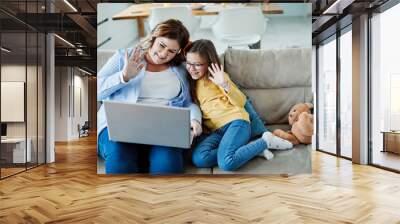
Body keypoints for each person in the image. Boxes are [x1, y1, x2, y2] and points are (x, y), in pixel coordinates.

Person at [97, 19, 202, 174]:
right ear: (153, 38)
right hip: (120, 126)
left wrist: (194, 119)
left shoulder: (181, 69)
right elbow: (96, 91)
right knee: (120, 156)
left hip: (164, 127)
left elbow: (188, 103)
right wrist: (123, 76)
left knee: (167, 162)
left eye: (172, 51)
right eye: (162, 45)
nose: (164, 54)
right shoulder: (124, 57)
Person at [185, 39, 293, 171]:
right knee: (199, 158)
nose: (191, 68)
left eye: (197, 64)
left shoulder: (218, 77)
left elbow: (241, 101)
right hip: (217, 131)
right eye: (188, 63)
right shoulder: (191, 82)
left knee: (227, 163)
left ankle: (266, 141)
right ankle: (248, 148)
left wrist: (224, 84)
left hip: (236, 122)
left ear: (209, 63)